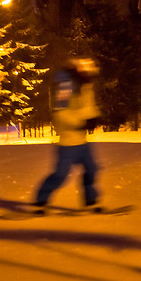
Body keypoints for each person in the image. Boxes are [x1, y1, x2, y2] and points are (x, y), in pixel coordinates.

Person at [34, 58, 102, 214]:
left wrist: (95, 117)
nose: (91, 77)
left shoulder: (86, 87)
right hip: (67, 143)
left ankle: (90, 201)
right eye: (89, 73)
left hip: (82, 142)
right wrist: (81, 123)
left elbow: (89, 107)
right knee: (61, 175)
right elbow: (61, 114)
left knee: (92, 169)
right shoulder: (65, 87)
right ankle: (41, 201)